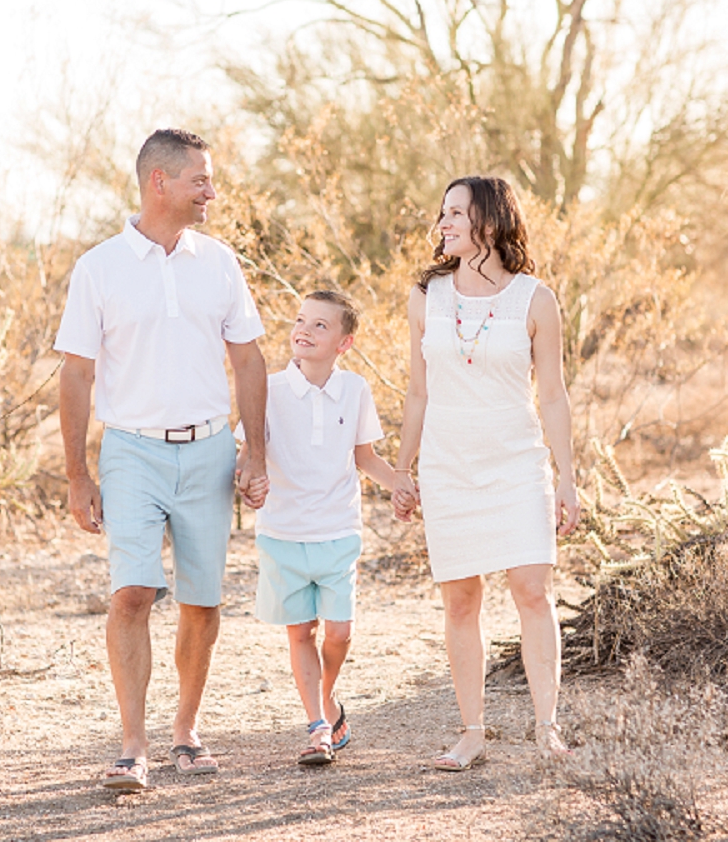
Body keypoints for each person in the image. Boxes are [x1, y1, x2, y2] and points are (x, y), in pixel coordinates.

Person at [56, 128, 268, 792]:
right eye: (200, 179)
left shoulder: (220, 263)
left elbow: (250, 359)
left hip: (209, 449)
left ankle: (185, 730)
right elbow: (76, 376)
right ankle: (133, 744)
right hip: (131, 452)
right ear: (160, 183)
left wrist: (255, 450)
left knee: (203, 603)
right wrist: (77, 474)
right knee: (132, 592)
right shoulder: (99, 268)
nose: (211, 191)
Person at [390, 175, 581, 771]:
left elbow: (553, 395)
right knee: (461, 602)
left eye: (455, 213)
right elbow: (418, 393)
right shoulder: (428, 296)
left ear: (490, 223)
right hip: (449, 466)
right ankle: (472, 732)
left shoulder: (535, 299)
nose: (442, 224)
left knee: (531, 589)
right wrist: (402, 469)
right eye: (442, 213)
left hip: (517, 464)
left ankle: (547, 728)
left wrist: (568, 477)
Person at [236, 291, 398, 766]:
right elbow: (245, 452)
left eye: (320, 326)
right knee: (301, 632)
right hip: (282, 532)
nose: (303, 330)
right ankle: (318, 727)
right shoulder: (266, 389)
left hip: (338, 530)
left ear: (344, 343)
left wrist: (402, 484)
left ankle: (326, 698)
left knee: (340, 633)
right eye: (301, 320)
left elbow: (365, 456)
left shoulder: (356, 390)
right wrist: (246, 478)